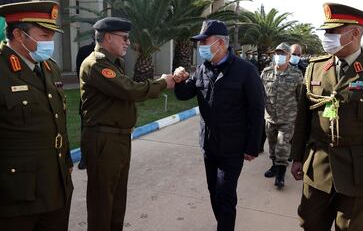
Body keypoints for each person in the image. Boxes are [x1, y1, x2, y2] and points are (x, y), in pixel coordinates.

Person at [291, 3, 363, 231]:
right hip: (318, 166)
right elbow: (303, 118)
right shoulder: (316, 67)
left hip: (358, 171)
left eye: (333, 31)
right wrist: (297, 157)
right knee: (310, 224)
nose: (326, 37)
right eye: (326, 32)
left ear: (355, 33)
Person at [80, 17, 175, 231]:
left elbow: (126, 91)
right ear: (107, 37)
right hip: (104, 139)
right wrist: (162, 83)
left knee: (117, 200)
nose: (128, 43)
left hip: (118, 138)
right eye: (124, 38)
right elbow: (130, 90)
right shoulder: (96, 64)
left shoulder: (114, 63)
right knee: (102, 202)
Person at [173, 20, 265, 231]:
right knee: (213, 191)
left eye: (205, 41)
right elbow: (185, 94)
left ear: (221, 43)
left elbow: (257, 110)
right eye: (200, 42)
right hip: (209, 145)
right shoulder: (203, 68)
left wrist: (253, 146)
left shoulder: (246, 70)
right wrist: (179, 80)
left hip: (232, 148)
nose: (201, 46)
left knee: (225, 196)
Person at [0, 1, 73, 231]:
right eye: (44, 35)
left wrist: (67, 161)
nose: (49, 42)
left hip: (56, 186)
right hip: (15, 195)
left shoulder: (50, 68)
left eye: (51, 36)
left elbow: (58, 120)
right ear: (19, 35)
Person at [261, 42, 303, 189]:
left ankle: (280, 175)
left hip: (288, 119)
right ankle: (274, 166)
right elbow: (261, 94)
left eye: (282, 54)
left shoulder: (296, 74)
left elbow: (300, 97)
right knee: (272, 145)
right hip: (270, 117)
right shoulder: (266, 72)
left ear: (288, 56)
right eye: (277, 53)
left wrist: (299, 117)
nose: (279, 56)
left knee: (283, 147)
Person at [75, 40, 95, 170]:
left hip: (107, 101)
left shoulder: (114, 53)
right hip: (88, 99)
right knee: (86, 131)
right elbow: (80, 74)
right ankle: (84, 158)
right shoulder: (84, 51)